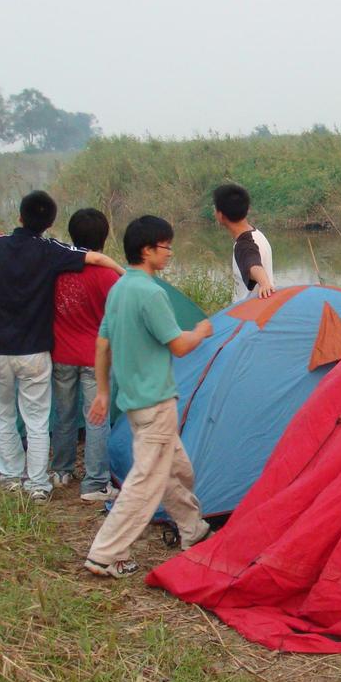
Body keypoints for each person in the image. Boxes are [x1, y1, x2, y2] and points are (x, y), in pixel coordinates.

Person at [85, 215, 214, 579]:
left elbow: (102, 344)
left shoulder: (120, 288)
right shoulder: (150, 292)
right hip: (154, 403)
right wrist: (201, 331)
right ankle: (105, 553)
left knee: (176, 469)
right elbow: (178, 344)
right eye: (166, 246)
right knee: (147, 481)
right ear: (147, 250)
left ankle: (194, 529)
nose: (170, 253)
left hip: (136, 403)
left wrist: (104, 392)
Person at [0, 191, 123, 500]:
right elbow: (115, 307)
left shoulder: (41, 262)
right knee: (82, 418)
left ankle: (50, 472)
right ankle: (81, 482)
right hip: (70, 356)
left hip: (37, 351)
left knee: (50, 414)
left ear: (19, 216)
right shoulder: (64, 260)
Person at [51, 208, 121, 501]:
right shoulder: (107, 276)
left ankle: (61, 471)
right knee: (96, 419)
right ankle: (95, 483)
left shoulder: (57, 267)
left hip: (61, 354)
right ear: (104, 237)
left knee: (64, 414)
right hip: (95, 358)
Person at [213, 183, 275, 302]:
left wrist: (264, 283)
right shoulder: (256, 234)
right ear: (247, 209)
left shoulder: (244, 244)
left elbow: (253, 264)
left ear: (220, 215)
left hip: (249, 315)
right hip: (261, 310)